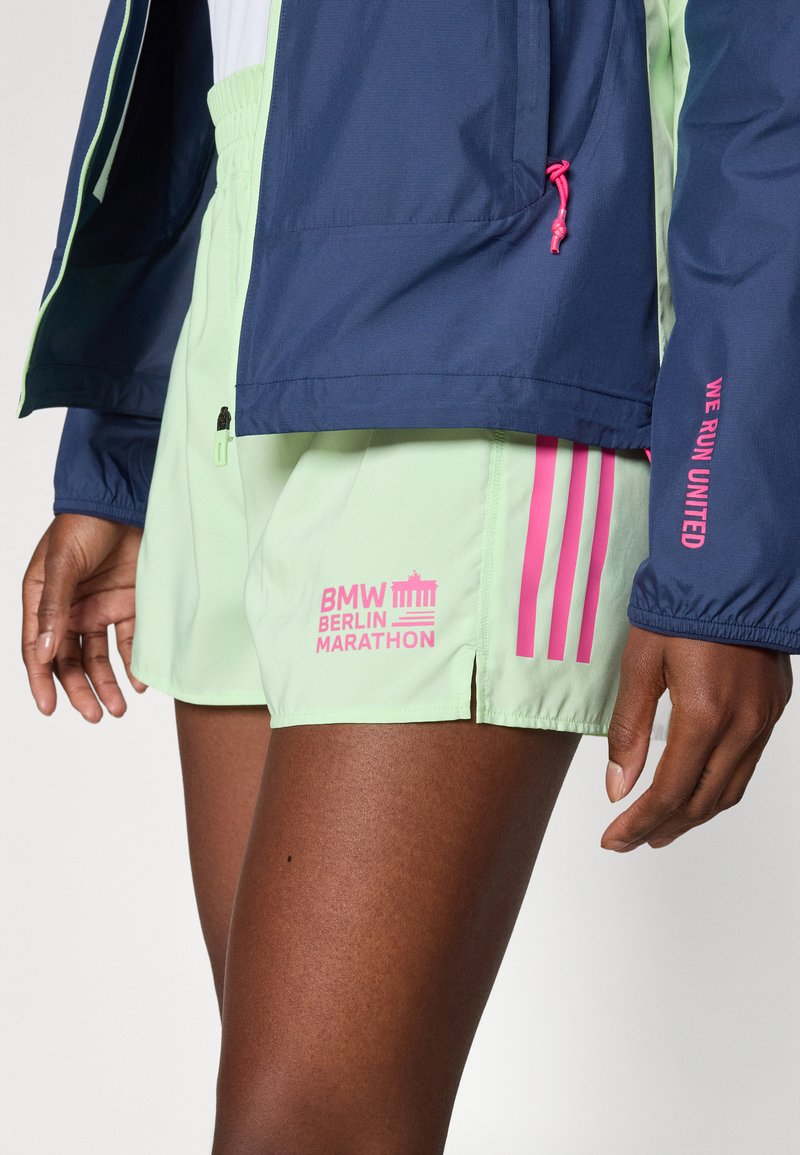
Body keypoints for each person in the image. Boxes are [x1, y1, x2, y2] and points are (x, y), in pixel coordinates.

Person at [18, 1, 796, 1150]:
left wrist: (727, 531)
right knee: (290, 1109)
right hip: (236, 282)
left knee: (306, 1124)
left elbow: (771, 63)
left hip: (498, 304)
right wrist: (122, 434)